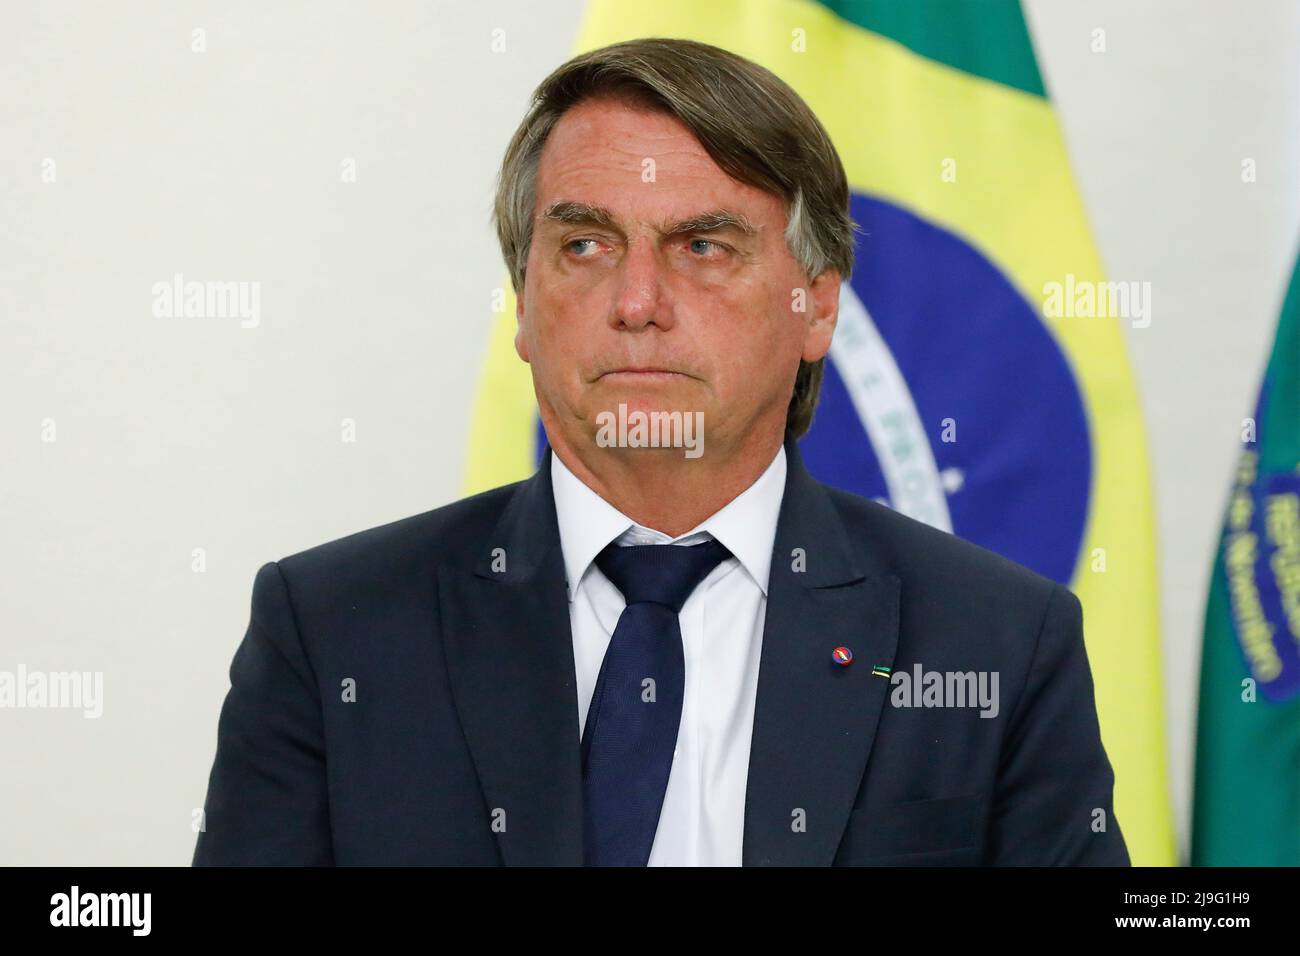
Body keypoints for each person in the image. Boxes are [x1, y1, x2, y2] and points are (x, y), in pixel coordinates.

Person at [193, 37, 1128, 866]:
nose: (638, 300)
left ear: (816, 306)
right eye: (587, 245)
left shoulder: (998, 641)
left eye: (704, 247)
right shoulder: (331, 630)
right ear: (523, 302)